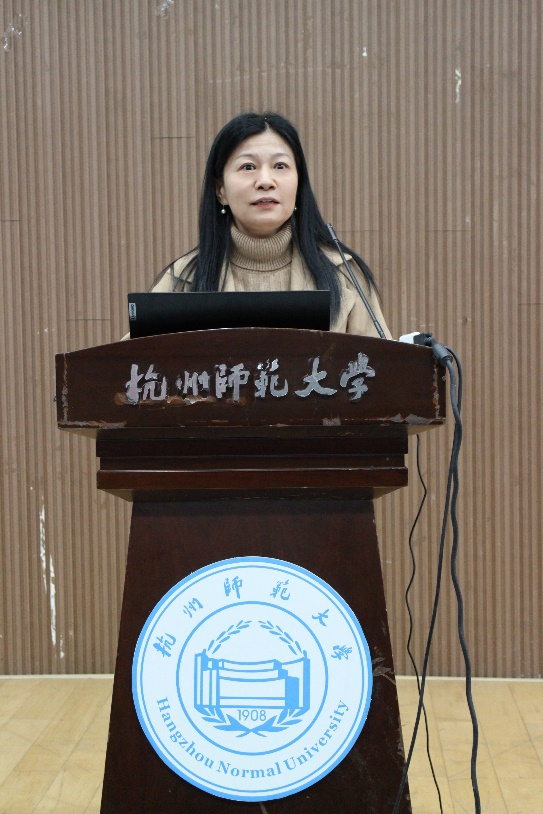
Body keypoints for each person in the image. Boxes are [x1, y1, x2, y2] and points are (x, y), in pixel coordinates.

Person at [150, 111, 391, 338]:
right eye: (248, 167)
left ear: (299, 186)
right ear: (220, 190)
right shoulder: (182, 280)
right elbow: (136, 363)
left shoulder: (344, 274)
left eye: (280, 166)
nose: (265, 181)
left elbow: (384, 363)